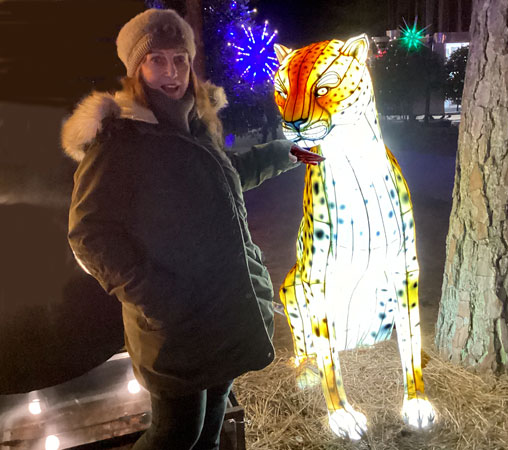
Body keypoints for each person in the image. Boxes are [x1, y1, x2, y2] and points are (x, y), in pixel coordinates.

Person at [61, 8, 323, 450]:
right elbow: (88, 233)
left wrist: (288, 152)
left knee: (213, 422)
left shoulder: (195, 122)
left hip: (223, 310)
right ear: (136, 68)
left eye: (180, 59)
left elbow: (228, 174)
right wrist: (156, 296)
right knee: (175, 433)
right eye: (156, 60)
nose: (171, 72)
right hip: (175, 325)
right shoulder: (119, 140)